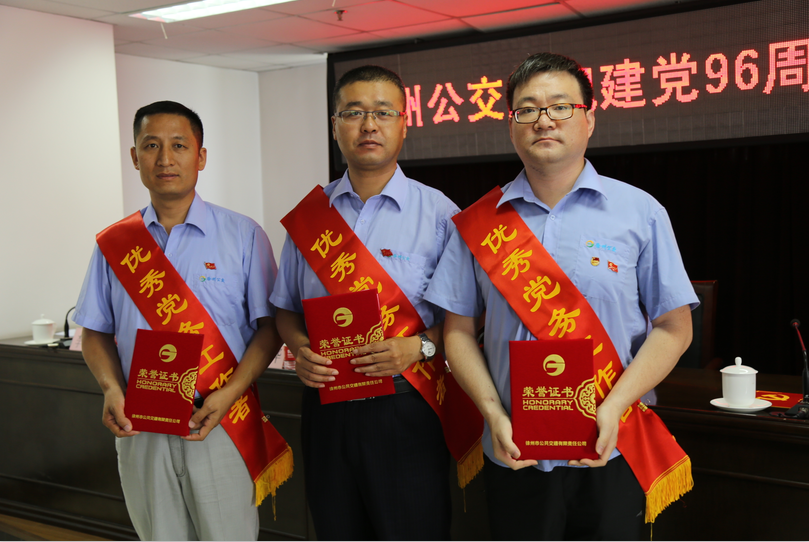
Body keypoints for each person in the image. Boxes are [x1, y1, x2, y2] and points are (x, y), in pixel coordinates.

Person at [424, 52, 698, 540]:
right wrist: (492, 413)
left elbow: (675, 328)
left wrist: (614, 406)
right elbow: (458, 333)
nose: (544, 120)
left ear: (589, 119)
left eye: (560, 106)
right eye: (527, 109)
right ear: (511, 127)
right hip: (514, 450)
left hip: (612, 444)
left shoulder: (640, 212)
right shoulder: (479, 224)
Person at [271, 65, 472, 540]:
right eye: (354, 113)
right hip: (326, 404)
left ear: (404, 123)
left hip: (406, 404)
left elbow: (466, 317)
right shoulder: (309, 216)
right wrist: (300, 347)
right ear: (335, 125)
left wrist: (418, 347)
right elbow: (285, 309)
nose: (368, 125)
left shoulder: (440, 214)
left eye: (383, 112)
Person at [74, 101, 287, 540]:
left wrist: (230, 392)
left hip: (220, 417)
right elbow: (94, 331)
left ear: (201, 156)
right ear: (135, 157)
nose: (165, 159)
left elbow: (270, 329)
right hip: (141, 423)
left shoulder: (243, 235)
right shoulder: (116, 244)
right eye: (151, 145)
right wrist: (111, 388)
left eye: (179, 145)